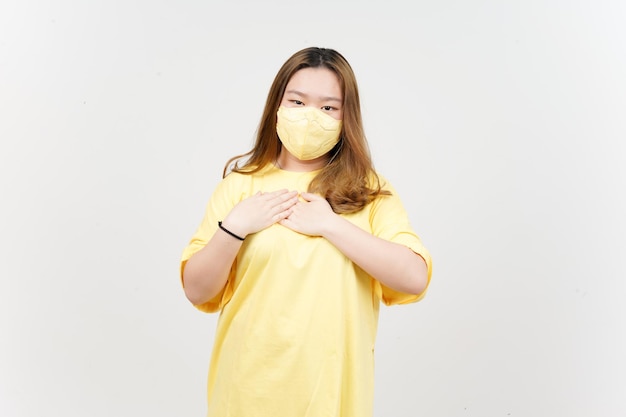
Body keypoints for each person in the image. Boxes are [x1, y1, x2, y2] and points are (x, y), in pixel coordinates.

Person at [180, 46, 432, 417]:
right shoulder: (239, 188)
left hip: (333, 396)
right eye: (297, 101)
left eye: (328, 107)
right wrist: (233, 228)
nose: (310, 117)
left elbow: (414, 277)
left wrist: (331, 226)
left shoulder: (369, 191)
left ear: (347, 117)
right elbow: (197, 289)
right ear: (277, 106)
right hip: (247, 393)